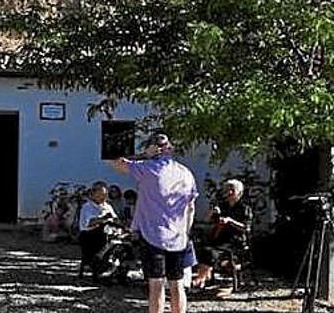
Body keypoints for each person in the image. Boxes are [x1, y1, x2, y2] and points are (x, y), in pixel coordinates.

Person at [113, 134, 198, 313]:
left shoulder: (147, 168)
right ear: (171, 149)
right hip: (178, 236)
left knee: (156, 284)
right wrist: (186, 231)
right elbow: (191, 207)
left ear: (153, 148)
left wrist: (143, 155)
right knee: (177, 283)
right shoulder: (186, 173)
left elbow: (117, 163)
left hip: (153, 235)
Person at [192, 179, 252, 288]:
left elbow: (246, 228)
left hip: (235, 240)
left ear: (239, 192)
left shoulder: (244, 208)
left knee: (210, 252)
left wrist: (230, 221)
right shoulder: (222, 206)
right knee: (203, 248)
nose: (229, 192)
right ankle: (204, 277)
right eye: (227, 190)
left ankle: (200, 279)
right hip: (220, 238)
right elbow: (207, 220)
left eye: (232, 190)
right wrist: (212, 212)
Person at [78, 181, 118, 279]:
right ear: (94, 194)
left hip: (107, 232)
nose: (103, 197)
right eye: (100, 195)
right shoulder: (88, 206)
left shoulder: (107, 206)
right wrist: (104, 219)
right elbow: (90, 222)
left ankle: (116, 267)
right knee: (103, 233)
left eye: (105, 195)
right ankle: (99, 266)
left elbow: (115, 219)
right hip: (89, 235)